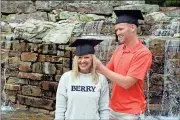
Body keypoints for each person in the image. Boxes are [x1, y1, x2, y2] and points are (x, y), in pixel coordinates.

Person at [96, 10, 152, 120]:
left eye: (121, 29)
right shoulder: (119, 50)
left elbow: (127, 83)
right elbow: (105, 73)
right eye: (116, 30)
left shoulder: (143, 53)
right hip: (112, 108)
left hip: (131, 113)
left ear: (132, 28)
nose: (117, 33)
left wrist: (100, 66)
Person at [54, 38, 110, 120]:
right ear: (76, 59)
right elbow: (60, 108)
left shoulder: (101, 79)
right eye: (79, 57)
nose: (82, 61)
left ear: (92, 59)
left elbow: (104, 109)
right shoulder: (66, 78)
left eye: (86, 57)